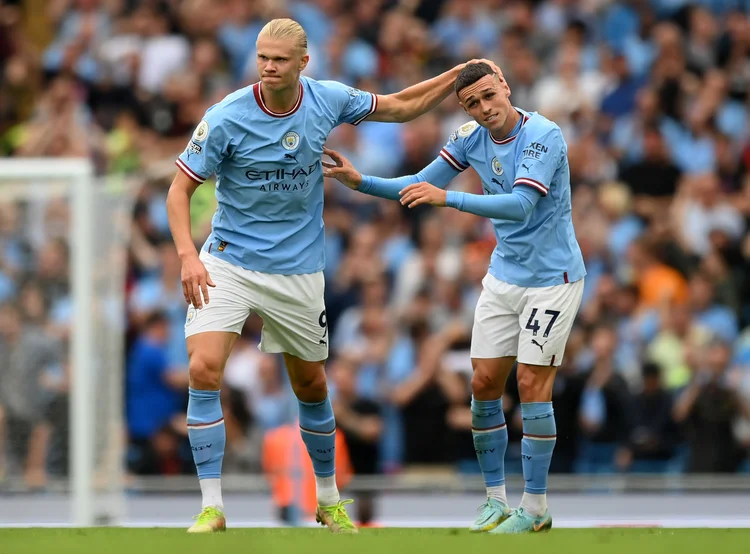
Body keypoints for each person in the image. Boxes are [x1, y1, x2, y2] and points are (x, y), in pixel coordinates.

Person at [166, 18, 497, 534]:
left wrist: (457, 75)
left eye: (279, 59)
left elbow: (401, 106)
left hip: (297, 269)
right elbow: (178, 189)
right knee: (204, 368)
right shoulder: (227, 116)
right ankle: (212, 507)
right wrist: (188, 255)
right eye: (261, 57)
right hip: (228, 260)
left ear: (303, 63)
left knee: (311, 386)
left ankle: (327, 499)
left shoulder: (327, 99)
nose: (268, 67)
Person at [323, 61, 586, 534]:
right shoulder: (469, 137)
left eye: (489, 95)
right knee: (483, 383)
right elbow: (416, 184)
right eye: (472, 103)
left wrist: (449, 200)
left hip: (553, 278)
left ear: (505, 85)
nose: (484, 108)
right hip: (505, 274)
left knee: (529, 384)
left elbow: (521, 204)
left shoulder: (544, 135)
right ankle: (494, 500)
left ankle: (537, 505)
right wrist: (360, 182)